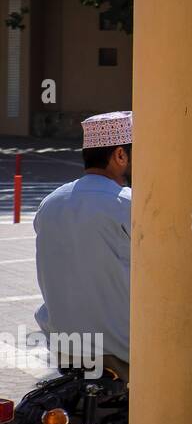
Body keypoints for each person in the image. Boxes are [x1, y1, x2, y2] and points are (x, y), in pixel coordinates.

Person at [33, 112, 133, 380]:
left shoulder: (50, 203)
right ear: (120, 155)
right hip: (122, 350)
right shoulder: (129, 204)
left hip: (65, 346)